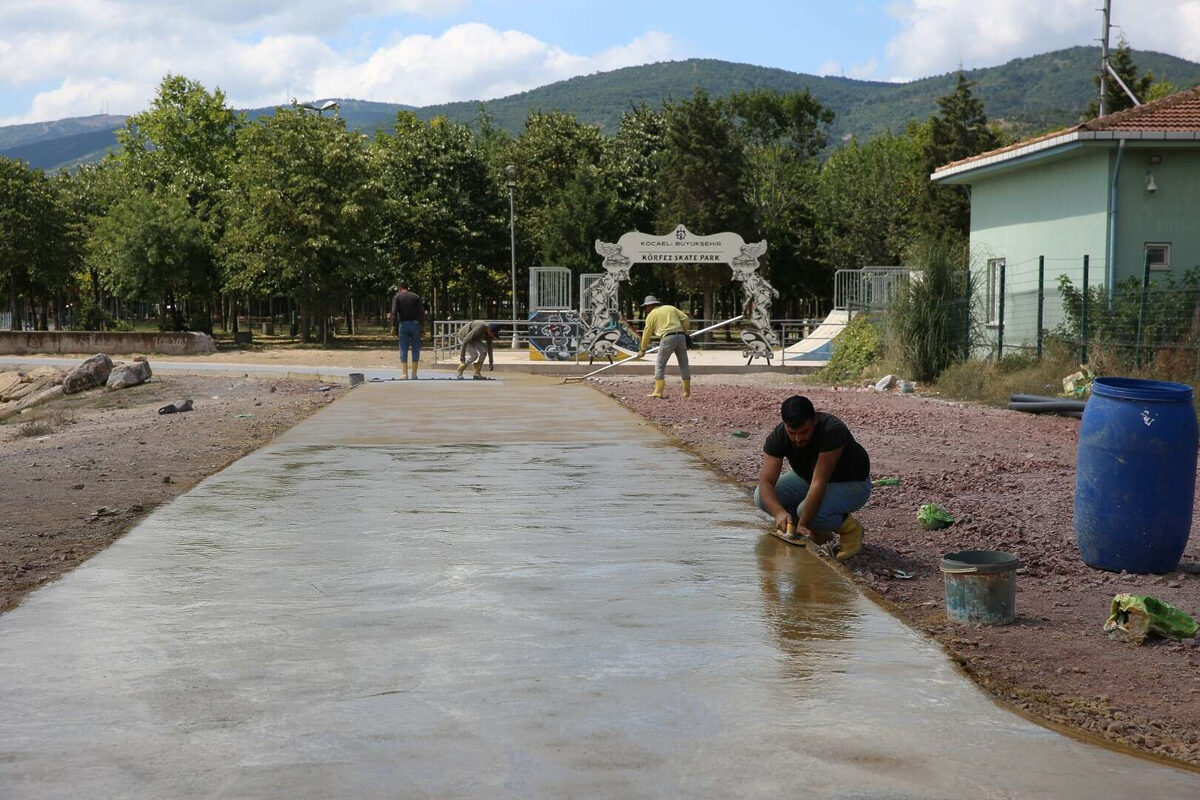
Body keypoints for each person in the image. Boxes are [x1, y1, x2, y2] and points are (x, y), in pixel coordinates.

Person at [754, 395, 871, 561]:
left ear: (814, 420)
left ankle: (850, 529)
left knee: (806, 512)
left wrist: (803, 523)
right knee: (761, 498)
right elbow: (766, 482)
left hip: (853, 483)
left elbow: (819, 481)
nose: (798, 438)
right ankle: (818, 531)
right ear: (785, 426)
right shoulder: (778, 437)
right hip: (807, 479)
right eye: (792, 433)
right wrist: (779, 512)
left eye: (804, 432)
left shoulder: (832, 430)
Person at [635, 295, 691, 399]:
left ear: (650, 306)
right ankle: (686, 392)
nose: (646, 310)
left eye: (646, 307)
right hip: (681, 337)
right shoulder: (670, 308)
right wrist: (684, 330)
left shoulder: (652, 315)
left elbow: (646, 333)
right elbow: (686, 318)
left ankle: (658, 391)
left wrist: (642, 350)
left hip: (667, 338)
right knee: (684, 364)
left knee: (660, 365)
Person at [389, 281, 424, 380]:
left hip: (403, 325)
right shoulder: (416, 297)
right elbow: (421, 312)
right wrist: (422, 326)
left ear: (399, 289)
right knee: (416, 348)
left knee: (403, 348)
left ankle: (404, 374)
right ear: (408, 288)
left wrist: (393, 326)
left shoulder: (397, 297)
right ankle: (414, 374)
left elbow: (394, 313)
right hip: (416, 324)